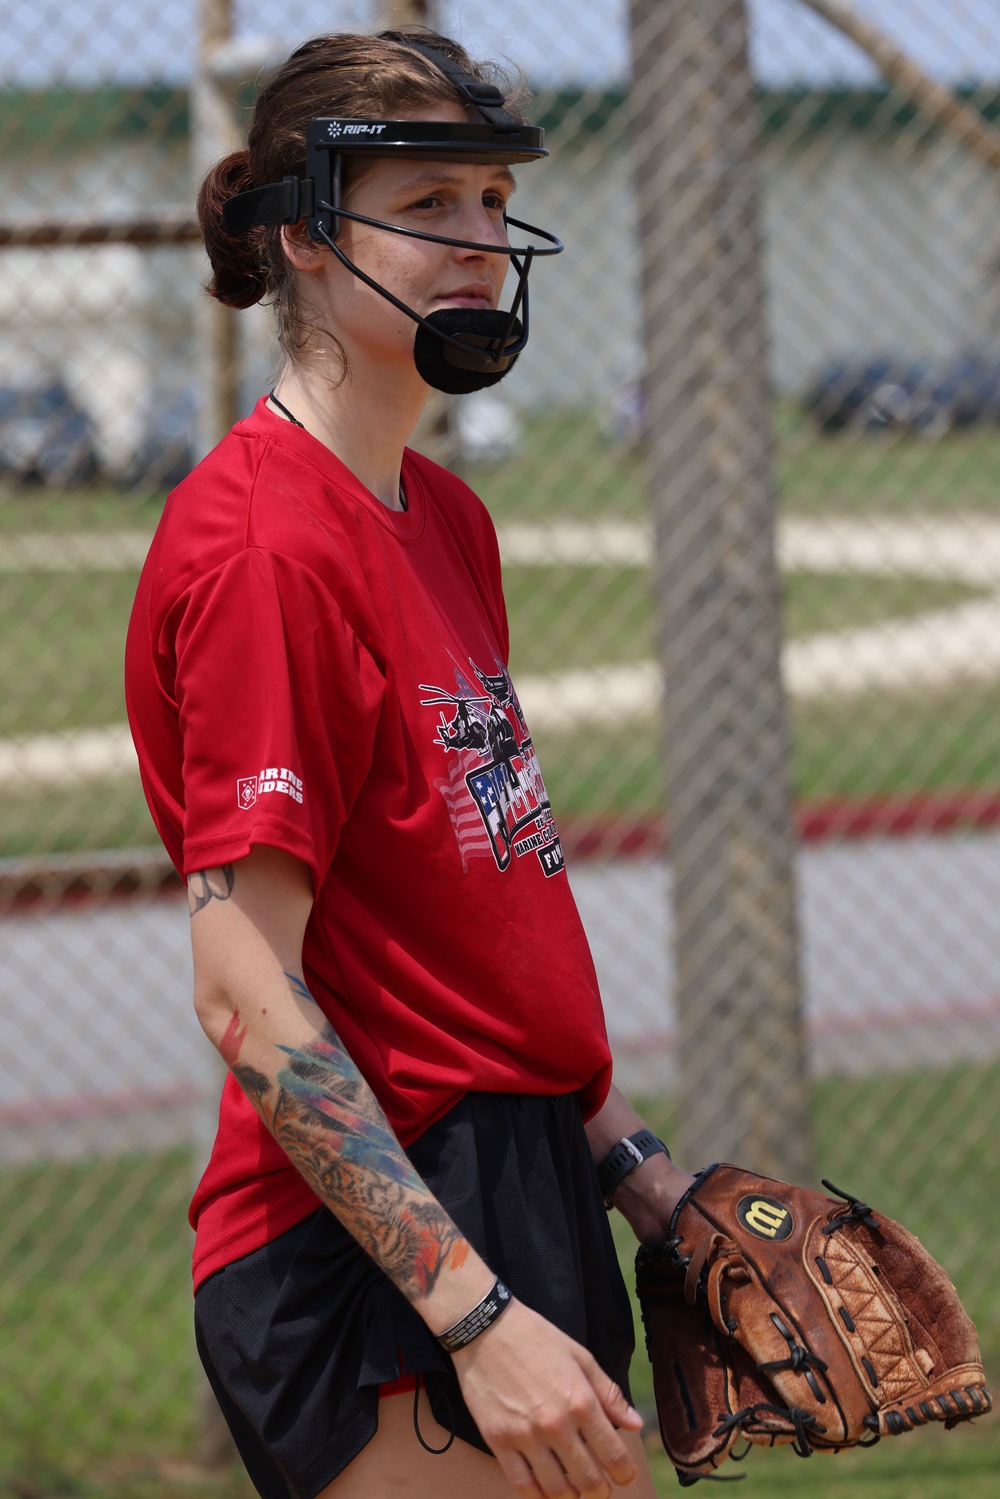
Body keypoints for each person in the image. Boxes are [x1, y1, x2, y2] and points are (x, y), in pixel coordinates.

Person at [125, 28, 695, 1499]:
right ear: (308, 234)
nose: (481, 245)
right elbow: (243, 986)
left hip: (517, 1177)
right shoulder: (264, 549)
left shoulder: (443, 516)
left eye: (494, 207)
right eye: (428, 205)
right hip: (372, 1241)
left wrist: (646, 1180)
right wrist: (474, 1314)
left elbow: (469, 941)